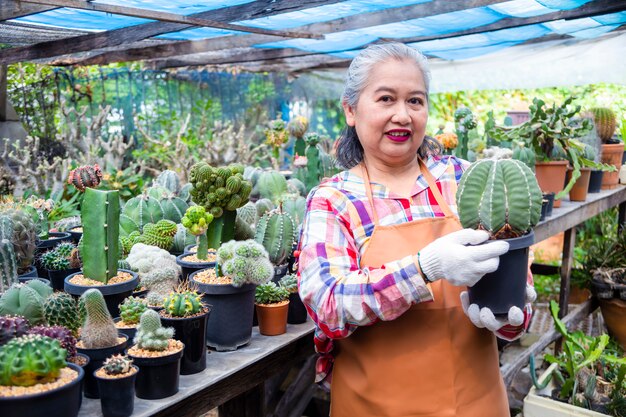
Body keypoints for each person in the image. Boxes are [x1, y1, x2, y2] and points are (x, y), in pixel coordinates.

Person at [297, 43, 536, 417]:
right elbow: (327, 305)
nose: (402, 115)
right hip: (374, 406)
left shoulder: (462, 178)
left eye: (415, 101)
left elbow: (513, 268)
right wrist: (424, 268)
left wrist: (510, 316)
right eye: (386, 99)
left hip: (477, 401)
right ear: (350, 110)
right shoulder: (333, 199)